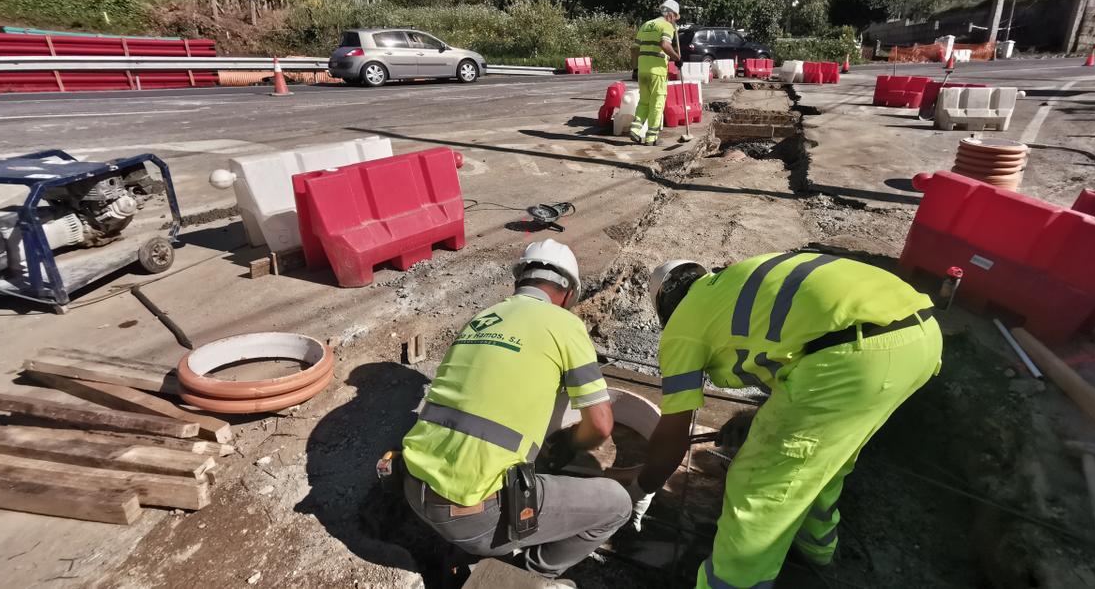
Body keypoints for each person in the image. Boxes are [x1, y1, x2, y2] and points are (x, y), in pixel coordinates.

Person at [621, 252, 944, 588]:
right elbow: (799, 350)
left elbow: (673, 434)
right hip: (919, 340)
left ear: (665, 309)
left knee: (759, 485)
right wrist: (756, 417)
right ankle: (815, 549)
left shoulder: (682, 327)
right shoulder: (733, 283)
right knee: (821, 460)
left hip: (856, 357)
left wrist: (642, 487)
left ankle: (733, 582)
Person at [400, 239, 632, 583]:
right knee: (617, 504)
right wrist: (569, 445)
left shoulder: (481, 319)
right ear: (568, 294)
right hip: (473, 517)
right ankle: (531, 574)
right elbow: (600, 426)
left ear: (519, 281)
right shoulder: (564, 324)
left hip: (413, 488)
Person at [629, 0, 682, 146]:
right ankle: (652, 137)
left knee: (644, 101)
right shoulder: (666, 25)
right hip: (657, 71)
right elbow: (664, 44)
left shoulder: (646, 25)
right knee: (657, 103)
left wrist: (635, 68)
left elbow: (634, 48)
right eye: (675, 18)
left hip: (643, 70)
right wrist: (677, 58)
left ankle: (635, 128)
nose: (674, 21)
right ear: (671, 14)